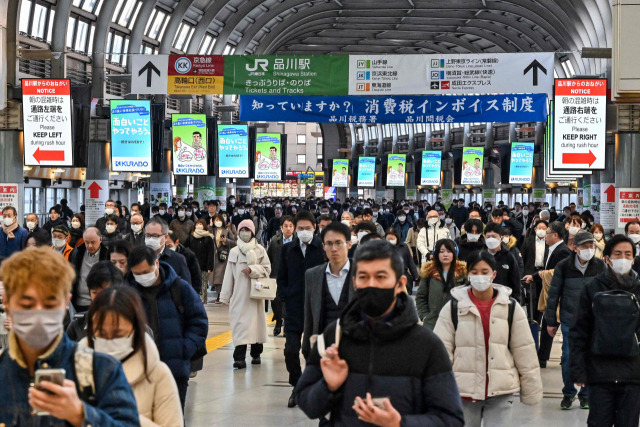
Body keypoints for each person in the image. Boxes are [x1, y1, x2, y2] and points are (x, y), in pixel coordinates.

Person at [296, 240, 465, 426]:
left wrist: (400, 423)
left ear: (400, 284)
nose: (371, 284)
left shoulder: (426, 345)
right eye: (363, 277)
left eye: (381, 277)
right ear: (354, 282)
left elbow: (451, 420)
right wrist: (328, 386)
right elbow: (307, 403)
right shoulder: (336, 336)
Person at [0, 247, 139, 426]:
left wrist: (81, 414)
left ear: (66, 302)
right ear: (7, 303)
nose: (39, 313)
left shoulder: (102, 370)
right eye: (27, 303)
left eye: (50, 303)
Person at [434, 250, 542, 426]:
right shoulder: (453, 307)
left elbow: (524, 349)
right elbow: (441, 353)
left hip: (500, 391)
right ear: (467, 274)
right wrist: (439, 390)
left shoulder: (511, 307)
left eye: (484, 272)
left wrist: (531, 390)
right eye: (474, 272)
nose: (479, 277)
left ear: (494, 274)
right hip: (463, 392)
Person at [82, 286, 184, 427]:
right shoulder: (73, 369)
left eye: (118, 334)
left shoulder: (158, 374)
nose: (109, 341)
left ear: (136, 330)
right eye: (101, 334)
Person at [570, 235, 640, 427]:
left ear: (634, 259)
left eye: (628, 254)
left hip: (633, 373)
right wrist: (578, 370)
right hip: (600, 372)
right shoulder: (593, 288)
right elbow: (579, 331)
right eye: (618, 254)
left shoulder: (639, 289)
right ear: (607, 258)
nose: (623, 258)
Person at [127, 246, 208, 410]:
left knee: (173, 419)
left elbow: (199, 322)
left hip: (174, 370)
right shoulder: (128, 292)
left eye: (145, 272)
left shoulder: (179, 288)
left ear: (157, 263)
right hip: (138, 373)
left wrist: (183, 350)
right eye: (137, 274)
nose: (142, 277)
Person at [544, 231, 605, 410]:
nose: (589, 249)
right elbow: (553, 295)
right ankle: (568, 393)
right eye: (585, 246)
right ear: (575, 248)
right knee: (568, 356)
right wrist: (550, 322)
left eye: (591, 246)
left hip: (594, 321)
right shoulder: (564, 266)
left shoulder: (600, 267)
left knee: (590, 356)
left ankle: (585, 395)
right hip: (570, 319)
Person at [277, 210, 326, 407]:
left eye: (307, 228)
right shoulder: (288, 250)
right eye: (300, 229)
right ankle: (296, 386)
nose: (304, 232)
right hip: (294, 306)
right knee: (290, 350)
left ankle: (314, 385)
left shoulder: (322, 249)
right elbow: (281, 276)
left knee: (313, 351)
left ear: (314, 228)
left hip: (317, 308)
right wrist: (285, 295)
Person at [220, 220, 271, 369]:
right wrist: (225, 296)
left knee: (256, 327)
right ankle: (239, 358)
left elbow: (267, 270)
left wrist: (253, 270)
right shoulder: (234, 251)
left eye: (247, 229)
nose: (244, 232)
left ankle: (256, 354)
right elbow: (228, 275)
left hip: (256, 295)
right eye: (241, 229)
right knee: (240, 326)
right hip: (240, 296)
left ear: (253, 232)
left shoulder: (261, 250)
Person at [523, 220, 572, 368]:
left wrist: (537, 275)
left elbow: (556, 272)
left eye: (548, 233)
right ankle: (542, 357)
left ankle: (546, 357)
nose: (545, 236)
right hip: (552, 292)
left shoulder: (562, 250)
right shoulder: (551, 248)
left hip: (560, 295)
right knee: (547, 324)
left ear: (555, 235)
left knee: (553, 324)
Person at [302, 222, 354, 360]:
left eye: (339, 243)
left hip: (355, 348)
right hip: (323, 347)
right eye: (329, 244)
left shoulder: (362, 272)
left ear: (349, 244)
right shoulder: (313, 275)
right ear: (323, 246)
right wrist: (306, 348)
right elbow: (309, 315)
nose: (334, 248)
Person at [67, 261, 125, 341]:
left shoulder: (133, 323)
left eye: (105, 292)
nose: (100, 297)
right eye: (95, 292)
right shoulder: (77, 325)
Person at [416, 239, 467, 330]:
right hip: (432, 323)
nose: (445, 254)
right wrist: (425, 316)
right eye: (441, 251)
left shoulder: (462, 273)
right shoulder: (429, 272)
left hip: (456, 323)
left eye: (449, 251)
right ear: (436, 253)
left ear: (455, 253)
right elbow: (421, 296)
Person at [69, 227, 109, 313]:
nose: (90, 246)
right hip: (78, 303)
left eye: (93, 242)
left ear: (100, 239)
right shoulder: (76, 253)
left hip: (100, 303)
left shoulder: (107, 255)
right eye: (86, 242)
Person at [267, 215, 295, 336]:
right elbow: (269, 258)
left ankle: (287, 325)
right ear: (281, 227)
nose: (288, 228)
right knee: (276, 301)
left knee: (289, 302)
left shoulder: (298, 241)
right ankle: (278, 320)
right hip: (277, 275)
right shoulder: (275, 241)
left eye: (290, 226)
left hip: (292, 276)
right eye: (285, 226)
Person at [144, 218, 192, 286]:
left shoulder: (178, 259)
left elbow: (186, 288)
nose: (151, 239)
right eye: (148, 235)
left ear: (166, 237)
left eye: (155, 236)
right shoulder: (138, 257)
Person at [483, 222, 521, 301]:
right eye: (488, 237)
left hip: (504, 300)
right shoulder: (480, 256)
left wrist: (515, 301)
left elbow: (515, 282)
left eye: (494, 236)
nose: (491, 239)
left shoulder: (509, 257)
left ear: (500, 238)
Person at [166, 230, 202, 301]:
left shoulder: (188, 255)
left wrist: (194, 295)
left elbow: (196, 277)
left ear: (176, 242)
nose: (167, 249)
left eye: (169, 246)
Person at [209, 213, 237, 304]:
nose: (218, 222)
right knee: (214, 278)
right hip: (213, 256)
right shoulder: (211, 230)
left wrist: (225, 241)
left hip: (222, 257)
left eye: (219, 220)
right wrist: (210, 225)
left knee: (220, 277)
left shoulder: (227, 230)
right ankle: (219, 294)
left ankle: (220, 295)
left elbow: (234, 242)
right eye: (216, 220)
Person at [186, 219, 214, 304]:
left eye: (201, 223)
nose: (199, 225)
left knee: (203, 284)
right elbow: (185, 248)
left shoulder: (208, 238)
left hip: (204, 266)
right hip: (192, 265)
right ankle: (194, 300)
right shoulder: (191, 237)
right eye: (197, 223)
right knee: (193, 283)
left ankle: (203, 301)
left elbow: (210, 253)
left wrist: (210, 267)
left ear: (204, 226)